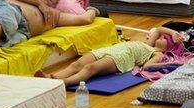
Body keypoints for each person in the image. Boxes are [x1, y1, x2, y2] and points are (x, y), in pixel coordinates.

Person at [51, 26, 182, 85]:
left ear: (169, 47)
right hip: (114, 49)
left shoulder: (157, 54)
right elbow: (159, 29)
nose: (162, 37)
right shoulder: (148, 43)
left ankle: (65, 82)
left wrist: (171, 64)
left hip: (123, 58)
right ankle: (51, 77)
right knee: (77, 64)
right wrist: (174, 32)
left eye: (166, 39)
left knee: (90, 68)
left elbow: (147, 66)